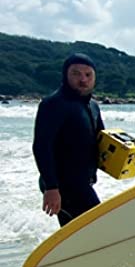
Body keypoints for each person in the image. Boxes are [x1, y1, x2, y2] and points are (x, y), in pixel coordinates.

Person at [32, 53, 106, 226]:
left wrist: (132, 159)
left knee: (85, 233)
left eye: (88, 75)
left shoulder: (92, 106)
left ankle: (72, 254)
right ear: (66, 75)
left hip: (82, 183)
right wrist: (51, 187)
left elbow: (103, 142)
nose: (83, 79)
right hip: (62, 185)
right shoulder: (53, 104)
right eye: (76, 74)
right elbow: (42, 147)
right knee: (96, 228)